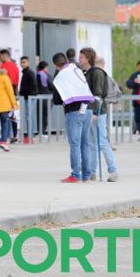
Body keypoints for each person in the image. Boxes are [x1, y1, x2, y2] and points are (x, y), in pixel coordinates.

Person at [51, 52, 94, 183]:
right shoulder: (77, 69)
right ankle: (87, 175)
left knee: (75, 144)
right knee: (85, 143)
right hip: (88, 109)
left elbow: (57, 99)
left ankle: (76, 174)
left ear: (55, 65)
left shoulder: (60, 76)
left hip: (74, 111)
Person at [79, 48, 119, 182]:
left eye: (82, 58)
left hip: (99, 112)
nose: (80, 60)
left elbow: (98, 95)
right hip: (90, 111)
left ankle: (113, 171)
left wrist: (95, 112)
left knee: (102, 141)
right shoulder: (86, 73)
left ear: (88, 59)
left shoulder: (96, 73)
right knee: (91, 143)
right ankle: (91, 171)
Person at [0, 59, 18, 152]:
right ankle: (3, 142)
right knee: (4, 123)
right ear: (0, 66)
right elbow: (10, 91)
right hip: (4, 103)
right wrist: (14, 103)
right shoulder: (4, 77)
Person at [0, 49, 20, 143]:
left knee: (4, 116)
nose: (0, 58)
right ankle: (14, 135)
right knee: (13, 115)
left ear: (4, 55)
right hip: (13, 92)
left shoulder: (2, 66)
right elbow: (17, 80)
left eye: (0, 56)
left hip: (4, 93)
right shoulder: (15, 67)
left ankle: (4, 136)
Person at [18, 56, 38, 140]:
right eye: (21, 62)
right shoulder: (25, 72)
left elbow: (33, 86)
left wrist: (26, 93)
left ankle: (31, 134)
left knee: (29, 116)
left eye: (24, 62)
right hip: (27, 97)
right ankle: (30, 134)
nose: (22, 64)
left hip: (30, 97)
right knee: (28, 116)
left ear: (28, 63)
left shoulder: (30, 73)